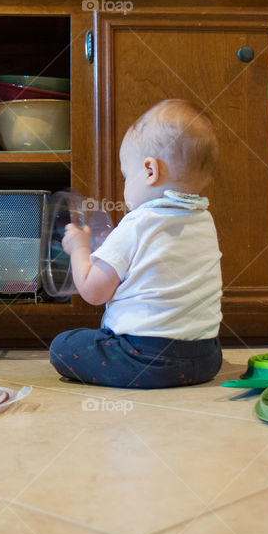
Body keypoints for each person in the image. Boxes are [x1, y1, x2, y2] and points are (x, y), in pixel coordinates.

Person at [48, 99, 223, 388]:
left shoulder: (136, 223)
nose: (125, 184)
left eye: (126, 176)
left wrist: (79, 248)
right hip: (205, 358)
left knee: (63, 345)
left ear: (150, 171)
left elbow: (93, 291)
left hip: (146, 359)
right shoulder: (203, 221)